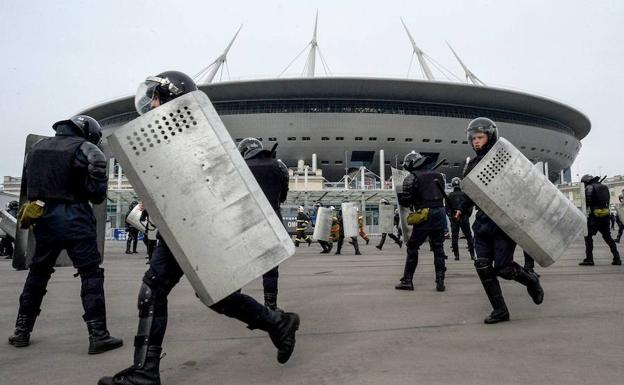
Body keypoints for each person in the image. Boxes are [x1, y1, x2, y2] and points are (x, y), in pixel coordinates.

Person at [98, 71, 299, 385]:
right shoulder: (170, 137)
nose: (150, 103)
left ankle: (145, 373)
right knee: (217, 295)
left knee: (159, 289)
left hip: (195, 227)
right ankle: (277, 322)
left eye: (155, 96)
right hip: (183, 227)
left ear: (171, 97)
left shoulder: (193, 135)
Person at [9, 115, 123, 353]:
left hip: (43, 219)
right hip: (76, 218)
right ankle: (98, 335)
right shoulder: (87, 148)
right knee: (90, 274)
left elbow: (30, 186)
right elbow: (97, 194)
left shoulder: (37, 148)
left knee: (38, 274)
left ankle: (21, 331)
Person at [455, 117, 543, 324]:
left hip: (504, 223)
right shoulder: (472, 164)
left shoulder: (504, 159)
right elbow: (469, 193)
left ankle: (531, 281)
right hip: (483, 223)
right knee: (483, 266)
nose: (476, 141)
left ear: (490, 136)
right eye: (473, 138)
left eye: (480, 137)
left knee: (503, 268)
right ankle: (500, 310)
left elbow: (523, 187)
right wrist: (461, 209)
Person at [237, 137, 290, 311]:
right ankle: (271, 304)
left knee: (239, 263)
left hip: (245, 222)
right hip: (272, 221)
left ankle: (234, 301)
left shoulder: (239, 167)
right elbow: (282, 196)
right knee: (271, 267)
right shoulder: (279, 165)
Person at [394, 151, 448, 292]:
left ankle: (407, 280)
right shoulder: (439, 176)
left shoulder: (412, 177)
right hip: (440, 213)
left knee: (413, 247)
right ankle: (440, 282)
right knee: (438, 248)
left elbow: (406, 200)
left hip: (424, 214)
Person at [578, 175, 621, 266]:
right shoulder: (604, 187)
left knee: (588, 236)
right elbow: (607, 201)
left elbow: (587, 202)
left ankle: (589, 259)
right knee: (608, 238)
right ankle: (617, 258)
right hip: (605, 215)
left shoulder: (589, 187)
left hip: (595, 216)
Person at [446, 177, 475, 260]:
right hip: (464, 217)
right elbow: (469, 206)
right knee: (468, 236)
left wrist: (451, 216)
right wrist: (467, 215)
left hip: (454, 218)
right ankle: (472, 255)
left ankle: (456, 255)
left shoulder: (449, 195)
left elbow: (446, 208)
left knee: (455, 237)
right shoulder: (465, 195)